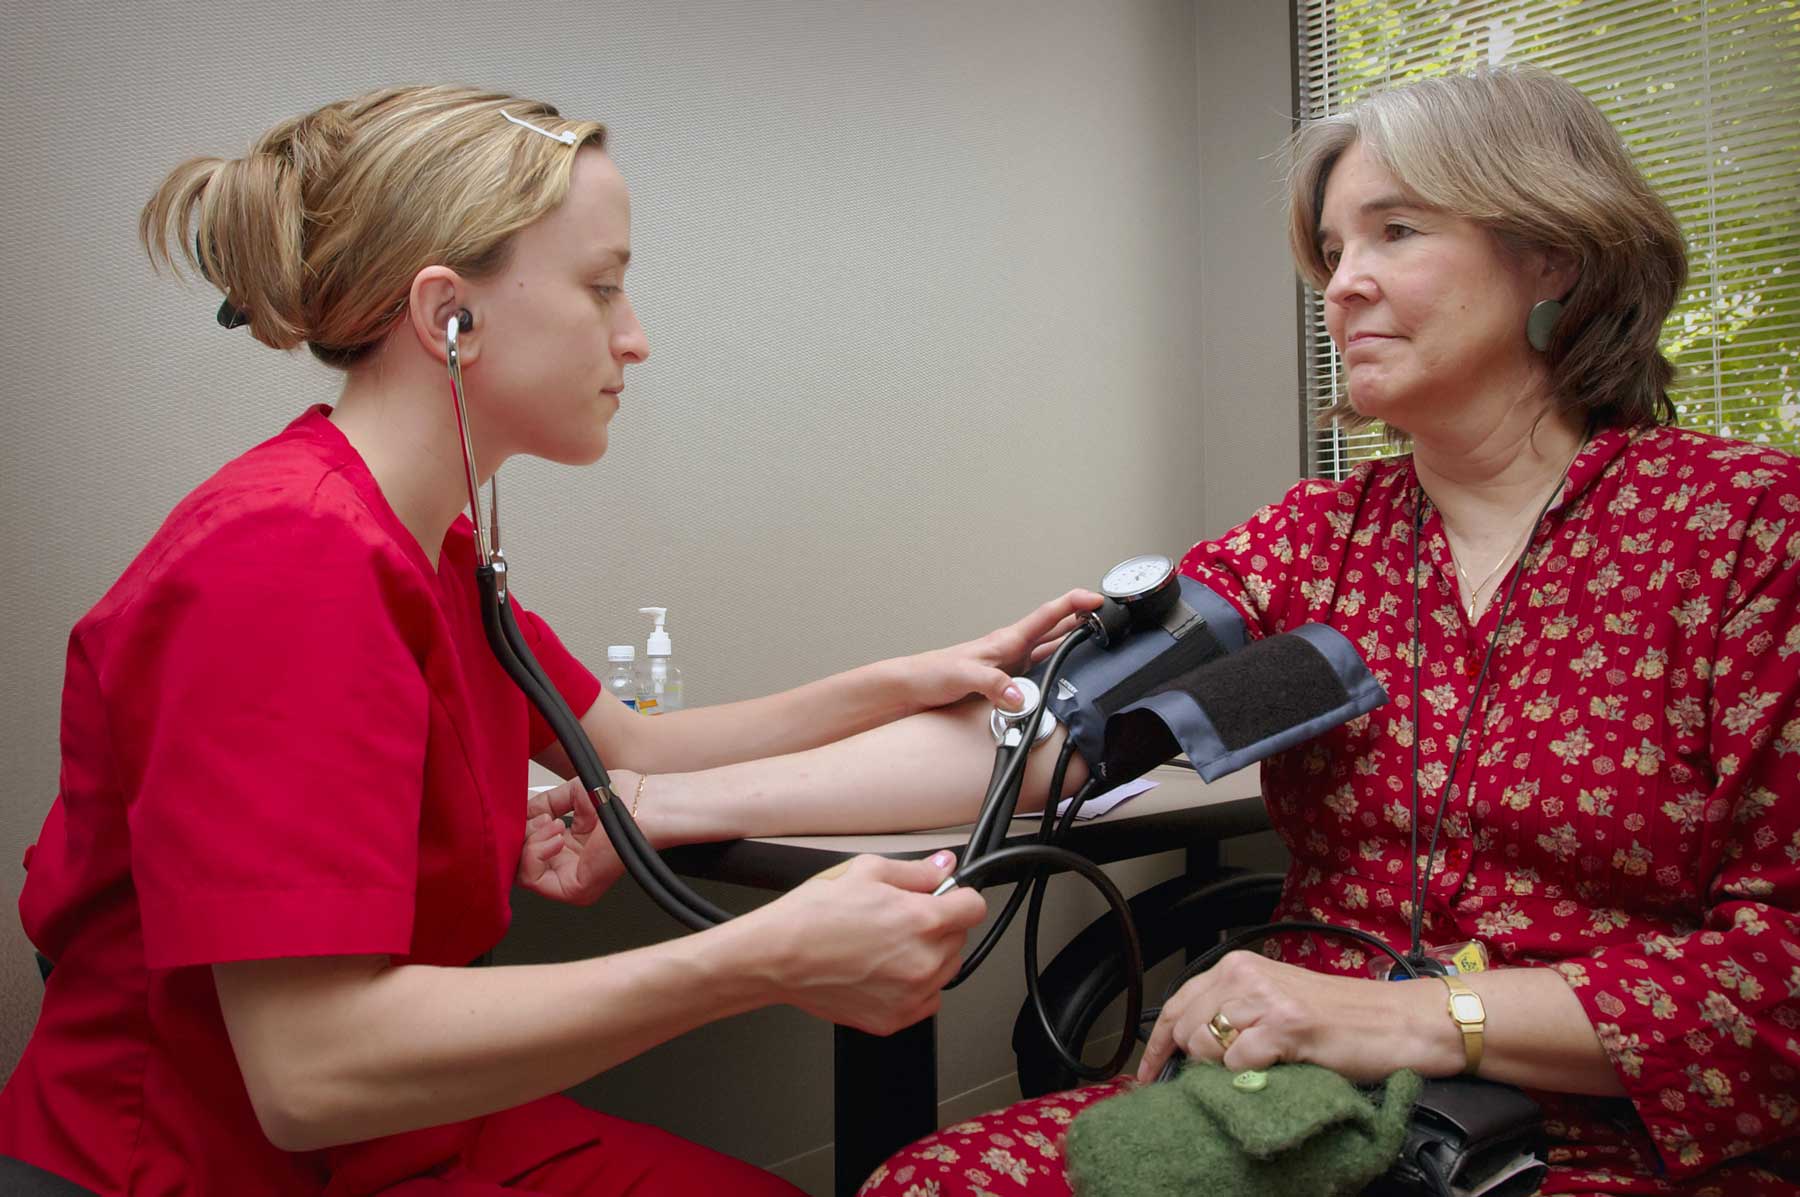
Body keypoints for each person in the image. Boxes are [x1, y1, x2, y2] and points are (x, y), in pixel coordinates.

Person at [0, 86, 1105, 1196]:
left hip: (409, 1133)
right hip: (205, 1164)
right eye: (601, 286)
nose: (636, 337)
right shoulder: (285, 556)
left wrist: (904, 676)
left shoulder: (419, 544)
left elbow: (636, 748)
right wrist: (760, 959)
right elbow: (308, 1073)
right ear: (450, 318)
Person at [861, 65, 1800, 1197]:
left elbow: (1781, 969)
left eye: (1395, 232)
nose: (1343, 284)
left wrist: (1414, 1018)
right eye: (1333, 251)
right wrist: (657, 802)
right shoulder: (1324, 550)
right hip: (1287, 1107)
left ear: (1553, 254)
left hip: (1608, 1134)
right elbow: (1057, 737)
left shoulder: (1747, 532)